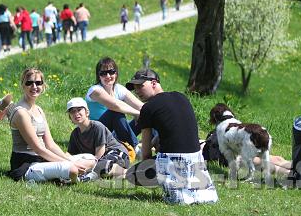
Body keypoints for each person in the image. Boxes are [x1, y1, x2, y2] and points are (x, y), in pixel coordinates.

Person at [125, 68, 218, 205]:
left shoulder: (148, 108)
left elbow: (145, 154)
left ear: (154, 83)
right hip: (196, 161)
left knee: (131, 174)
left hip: (172, 164)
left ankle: (172, 185)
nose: (137, 91)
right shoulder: (182, 97)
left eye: (140, 86)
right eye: (134, 88)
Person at [6, 68, 94, 183]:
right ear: (23, 85)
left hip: (43, 158)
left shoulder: (38, 109)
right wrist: (69, 163)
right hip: (27, 164)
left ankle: (68, 175)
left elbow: (50, 144)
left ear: (43, 86)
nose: (34, 86)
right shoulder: (21, 113)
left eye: (38, 83)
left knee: (91, 158)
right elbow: (38, 148)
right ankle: (74, 178)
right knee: (72, 169)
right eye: (29, 83)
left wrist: (67, 158)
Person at [66, 97, 130, 182]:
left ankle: (129, 173)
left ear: (87, 112)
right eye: (72, 111)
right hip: (100, 160)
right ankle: (116, 175)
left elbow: (99, 154)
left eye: (79, 110)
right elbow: (71, 155)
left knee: (100, 165)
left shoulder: (97, 127)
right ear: (70, 117)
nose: (76, 113)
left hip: (117, 154)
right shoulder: (75, 134)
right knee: (97, 168)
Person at [85, 58, 143, 148]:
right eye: (103, 73)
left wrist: (144, 113)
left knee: (146, 114)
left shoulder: (119, 89)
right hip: (96, 135)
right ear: (98, 76)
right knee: (115, 112)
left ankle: (156, 143)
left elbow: (141, 106)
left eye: (111, 72)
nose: (108, 76)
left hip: (114, 134)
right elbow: (115, 105)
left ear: (116, 73)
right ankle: (135, 148)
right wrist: (137, 113)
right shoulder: (95, 90)